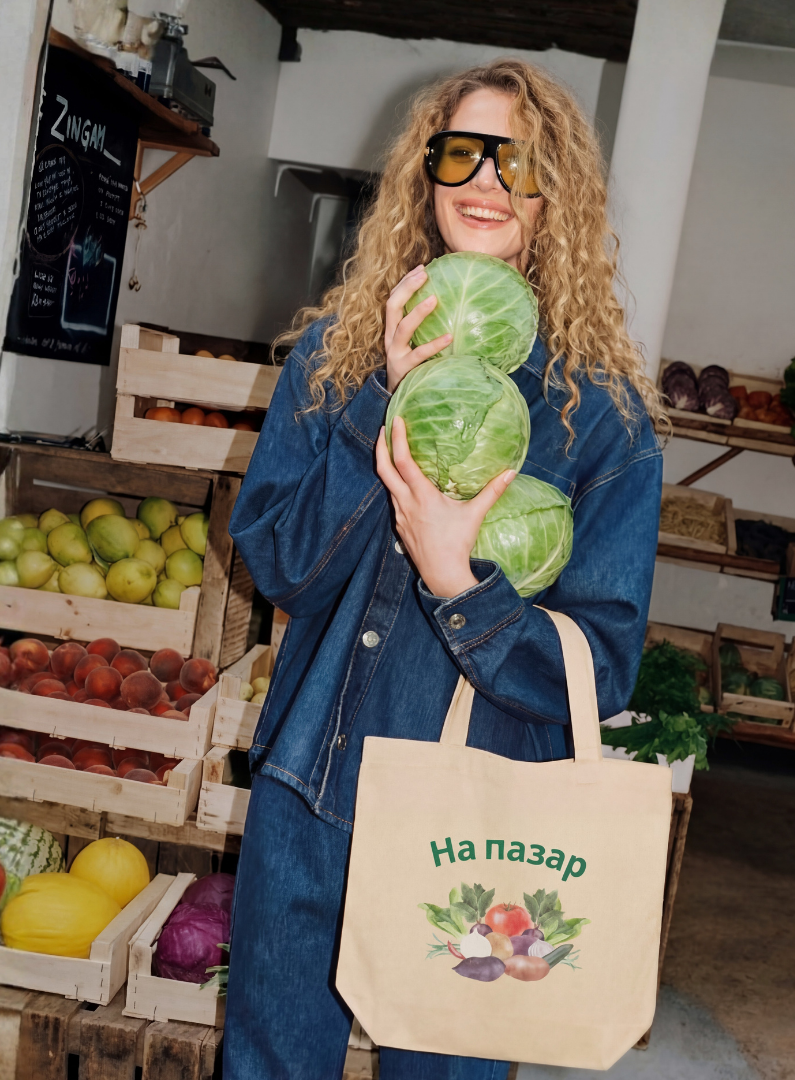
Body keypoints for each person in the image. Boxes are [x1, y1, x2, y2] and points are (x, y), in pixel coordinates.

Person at [223, 59, 665, 1080]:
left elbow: (601, 666)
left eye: (520, 160)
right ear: (425, 174)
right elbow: (281, 566)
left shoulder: (600, 421)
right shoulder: (334, 357)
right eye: (461, 152)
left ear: (556, 195)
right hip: (314, 787)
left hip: (479, 833)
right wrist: (385, 397)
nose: (487, 179)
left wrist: (465, 590)